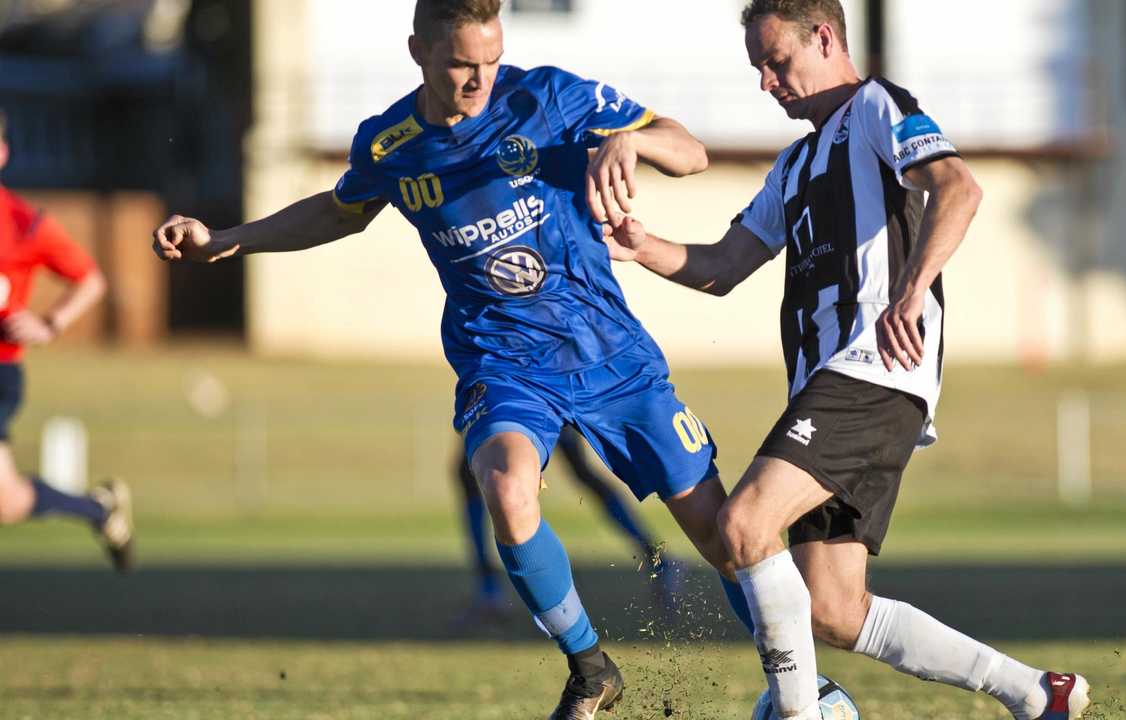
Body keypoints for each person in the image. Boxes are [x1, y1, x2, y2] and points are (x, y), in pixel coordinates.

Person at [151, 2, 755, 717]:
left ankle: (801, 683)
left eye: (490, 61)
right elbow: (334, 212)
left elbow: (690, 150)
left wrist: (637, 143)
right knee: (503, 485)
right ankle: (590, 666)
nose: (479, 81)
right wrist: (227, 238)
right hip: (503, 362)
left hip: (608, 354)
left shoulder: (548, 95)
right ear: (420, 52)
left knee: (725, 537)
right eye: (461, 64)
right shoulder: (391, 144)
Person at [602, 2, 1091, 718]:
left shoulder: (876, 107)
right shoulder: (795, 162)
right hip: (831, 388)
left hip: (875, 369)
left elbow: (960, 187)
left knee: (744, 526)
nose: (767, 84)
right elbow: (726, 263)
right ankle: (1034, 692)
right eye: (758, 70)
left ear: (825, 37)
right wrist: (642, 246)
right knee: (833, 609)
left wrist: (912, 290)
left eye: (777, 62)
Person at [0, 109, 134, 572]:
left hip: (1, 370)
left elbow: (90, 280)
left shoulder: (22, 225)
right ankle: (99, 509)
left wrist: (49, 324)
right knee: (8, 502)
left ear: (2, 153)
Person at [453, 427, 681, 622]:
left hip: (527, 390)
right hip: (523, 388)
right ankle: (659, 560)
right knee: (580, 472)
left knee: (478, 472)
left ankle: (491, 590)